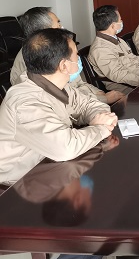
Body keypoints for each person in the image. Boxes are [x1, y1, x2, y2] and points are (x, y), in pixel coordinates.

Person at [0, 28, 117, 186]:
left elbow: (90, 104)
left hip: (50, 165)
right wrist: (100, 128)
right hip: (18, 185)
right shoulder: (25, 104)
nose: (79, 58)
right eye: (76, 55)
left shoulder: (55, 84)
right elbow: (66, 148)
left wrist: (100, 117)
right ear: (63, 65)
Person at [10, 7, 124, 105]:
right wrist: (103, 99)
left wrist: (98, 93)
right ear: (45, 31)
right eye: (58, 23)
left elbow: (79, 83)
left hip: (85, 101)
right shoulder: (35, 59)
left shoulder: (57, 50)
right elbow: (63, 99)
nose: (62, 27)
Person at [88, 5, 139, 94]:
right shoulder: (100, 49)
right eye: (120, 20)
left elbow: (133, 58)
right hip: (126, 87)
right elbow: (118, 74)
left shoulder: (118, 40)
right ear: (113, 26)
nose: (122, 22)